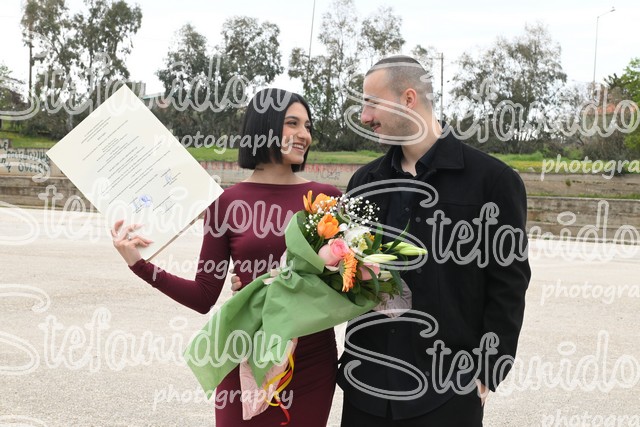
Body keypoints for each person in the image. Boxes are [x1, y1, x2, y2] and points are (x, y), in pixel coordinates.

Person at [111, 88, 341, 426]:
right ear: (264, 127)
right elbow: (203, 295)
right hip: (243, 354)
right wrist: (140, 265)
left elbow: (346, 280)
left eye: (307, 126)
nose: (304, 134)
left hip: (310, 361)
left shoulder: (326, 199)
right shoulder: (226, 203)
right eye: (292, 123)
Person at [337, 55, 531, 426]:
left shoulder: (493, 181)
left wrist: (488, 369)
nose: (363, 117)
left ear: (408, 99)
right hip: (367, 389)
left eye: (371, 103)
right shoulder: (364, 182)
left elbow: (509, 282)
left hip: (447, 393)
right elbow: (344, 270)